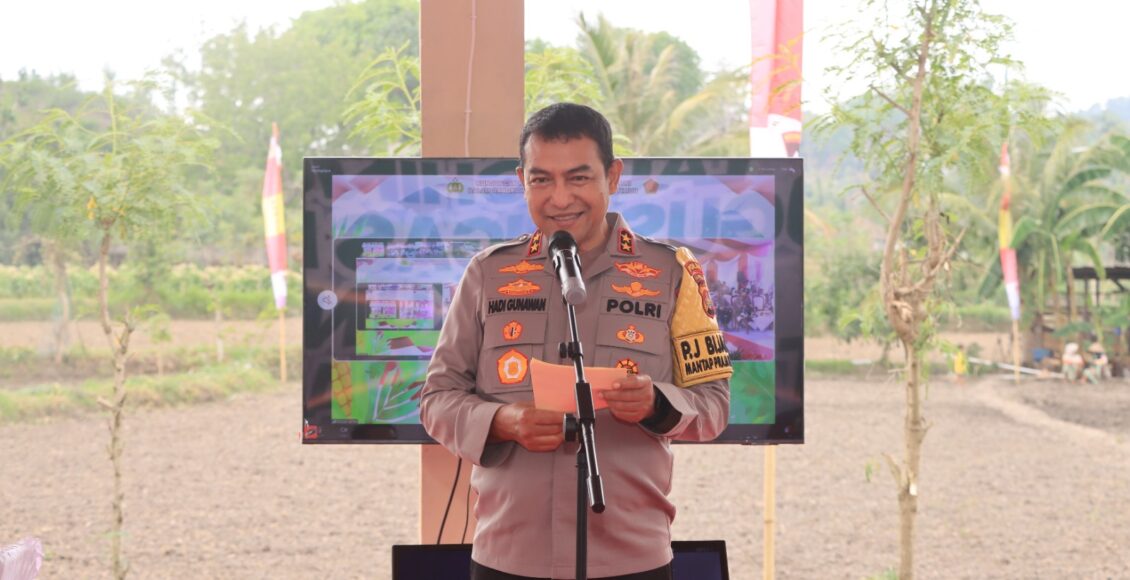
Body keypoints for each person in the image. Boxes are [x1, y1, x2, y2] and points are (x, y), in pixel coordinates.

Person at [420, 103, 731, 580]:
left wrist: (656, 403)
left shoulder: (673, 273)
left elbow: (714, 404)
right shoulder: (488, 273)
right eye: (541, 180)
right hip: (509, 558)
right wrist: (502, 421)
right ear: (522, 180)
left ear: (613, 176)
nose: (560, 198)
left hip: (632, 560)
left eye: (579, 178)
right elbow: (437, 400)